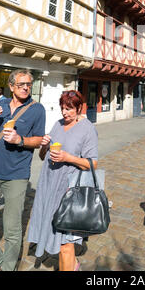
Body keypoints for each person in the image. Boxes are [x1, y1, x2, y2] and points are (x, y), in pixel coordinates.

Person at [28, 90, 98, 272]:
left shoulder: (87, 128)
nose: (65, 113)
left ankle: (71, 265)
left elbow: (93, 164)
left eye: (69, 109)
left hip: (68, 192)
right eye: (62, 108)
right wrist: (44, 146)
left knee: (65, 243)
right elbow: (44, 156)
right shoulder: (58, 124)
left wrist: (68, 157)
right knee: (60, 239)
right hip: (49, 186)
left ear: (79, 108)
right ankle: (74, 266)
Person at [0, 69, 46, 271]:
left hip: (17, 176)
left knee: (12, 229)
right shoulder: (1, 104)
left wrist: (20, 140)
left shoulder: (37, 109)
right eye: (21, 84)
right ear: (11, 87)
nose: (26, 87)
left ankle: (8, 267)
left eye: (29, 84)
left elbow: (38, 140)